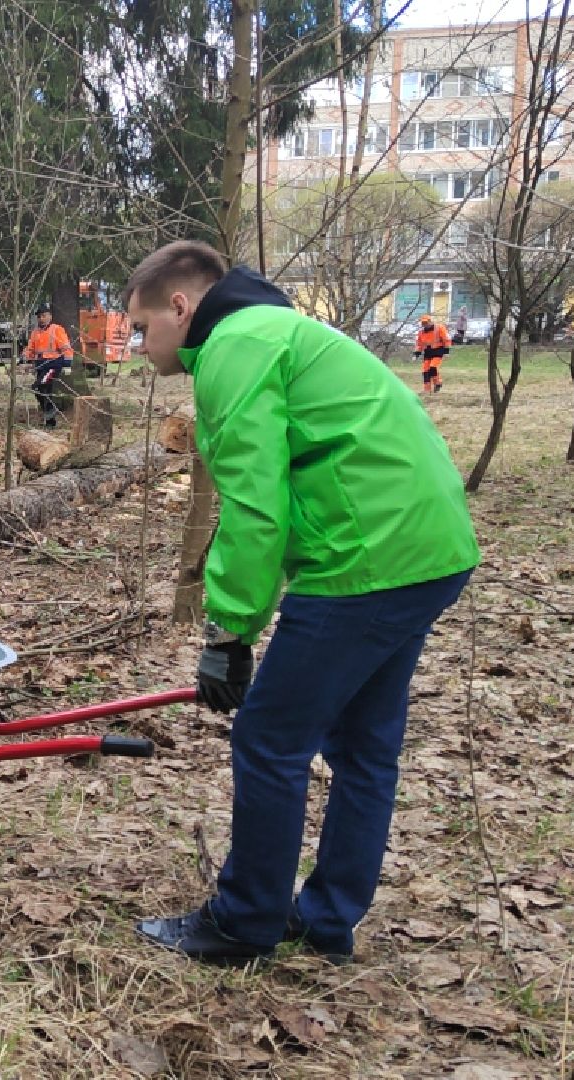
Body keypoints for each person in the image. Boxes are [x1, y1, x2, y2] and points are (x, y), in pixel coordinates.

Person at [120, 241, 479, 967]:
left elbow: (256, 506)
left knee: (269, 739)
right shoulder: (277, 331)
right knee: (364, 746)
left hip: (368, 557)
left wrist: (228, 633)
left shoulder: (235, 346)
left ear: (181, 306)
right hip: (430, 546)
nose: (136, 343)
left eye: (140, 325)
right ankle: (326, 923)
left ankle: (244, 922)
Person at [21, 303, 74, 426]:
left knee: (40, 387)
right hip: (41, 365)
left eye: (44, 316)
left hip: (53, 364)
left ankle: (50, 414)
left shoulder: (57, 329)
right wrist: (23, 358)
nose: (41, 318)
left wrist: (67, 364)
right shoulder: (35, 332)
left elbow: (66, 347)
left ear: (50, 316)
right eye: (39, 316)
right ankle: (50, 419)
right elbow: (30, 349)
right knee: (43, 391)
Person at [413, 314, 450, 394]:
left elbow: (446, 339)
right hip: (428, 353)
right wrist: (416, 354)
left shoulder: (439, 328)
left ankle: (437, 383)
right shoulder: (421, 332)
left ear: (430, 321)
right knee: (425, 371)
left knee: (433, 367)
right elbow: (419, 344)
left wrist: (446, 352)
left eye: (426, 322)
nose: (425, 324)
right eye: (423, 323)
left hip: (438, 351)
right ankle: (427, 390)